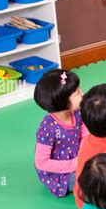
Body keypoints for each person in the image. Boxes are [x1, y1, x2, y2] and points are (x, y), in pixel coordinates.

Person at [33, 69, 88, 198]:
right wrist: (74, 164)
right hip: (60, 174)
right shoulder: (48, 128)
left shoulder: (77, 112)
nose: (83, 94)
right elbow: (41, 163)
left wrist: (85, 151)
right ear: (62, 101)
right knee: (90, 180)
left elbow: (84, 131)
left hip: (79, 157)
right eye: (78, 93)